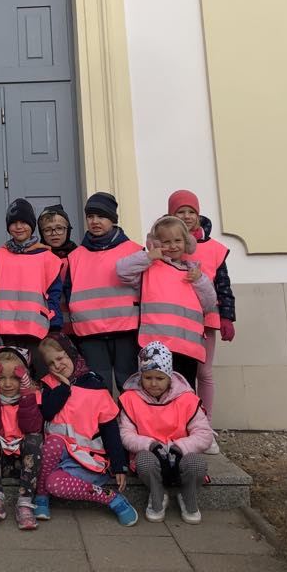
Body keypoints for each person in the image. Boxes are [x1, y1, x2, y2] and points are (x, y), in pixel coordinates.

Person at [35, 334, 138, 526]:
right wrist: (64, 387)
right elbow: (47, 412)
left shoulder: (95, 385)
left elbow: (110, 429)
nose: (57, 365)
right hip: (56, 456)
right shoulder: (49, 384)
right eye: (51, 363)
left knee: (54, 484)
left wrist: (119, 465)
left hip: (87, 459)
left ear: (72, 353)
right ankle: (41, 497)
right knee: (54, 442)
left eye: (60, 358)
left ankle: (111, 498)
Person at [167, 189, 236, 453]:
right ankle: (179, 423)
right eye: (180, 212)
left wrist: (227, 316)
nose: (186, 216)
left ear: (198, 215)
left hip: (206, 320)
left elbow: (223, 285)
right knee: (177, 374)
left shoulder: (214, 248)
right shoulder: (167, 242)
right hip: (176, 320)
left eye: (191, 212)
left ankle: (205, 427)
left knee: (204, 373)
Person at [116, 215, 217, 389]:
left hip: (187, 349)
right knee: (156, 392)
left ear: (186, 242)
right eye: (166, 242)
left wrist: (200, 280)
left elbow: (209, 303)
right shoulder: (149, 268)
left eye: (177, 240)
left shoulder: (194, 272)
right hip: (156, 347)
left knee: (185, 393)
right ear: (156, 243)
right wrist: (148, 256)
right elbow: (122, 270)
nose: (173, 246)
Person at [119, 340, 213, 523]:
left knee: (197, 464)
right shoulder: (130, 398)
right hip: (151, 455)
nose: (153, 383)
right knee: (144, 461)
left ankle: (187, 495)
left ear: (170, 377)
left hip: (181, 455)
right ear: (140, 376)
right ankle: (158, 494)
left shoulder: (187, 398)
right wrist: (151, 445)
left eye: (160, 378)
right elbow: (125, 434)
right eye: (148, 377)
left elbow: (204, 434)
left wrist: (180, 447)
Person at [64, 193, 142, 394]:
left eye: (101, 216)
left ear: (113, 219)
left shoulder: (135, 251)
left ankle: (128, 417)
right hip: (89, 333)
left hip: (126, 330)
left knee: (130, 386)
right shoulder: (75, 257)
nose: (95, 221)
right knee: (98, 389)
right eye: (90, 216)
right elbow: (69, 292)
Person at [0, 346, 42, 530]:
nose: (7, 384)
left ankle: (25, 503)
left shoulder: (32, 396)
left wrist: (26, 394)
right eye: (0, 378)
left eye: (15, 378)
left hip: (24, 464)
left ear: (24, 378)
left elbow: (32, 427)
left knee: (35, 438)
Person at [0, 199, 62, 357]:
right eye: (14, 223)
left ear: (32, 225)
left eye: (23, 222)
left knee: (40, 370)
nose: (19, 227)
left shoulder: (48, 258)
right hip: (6, 330)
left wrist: (55, 325)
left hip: (37, 329)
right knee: (12, 371)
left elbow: (54, 294)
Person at [38, 204, 78, 337]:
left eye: (59, 228)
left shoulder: (78, 257)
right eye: (48, 230)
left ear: (68, 230)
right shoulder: (37, 258)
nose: (54, 233)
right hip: (48, 327)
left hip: (78, 327)